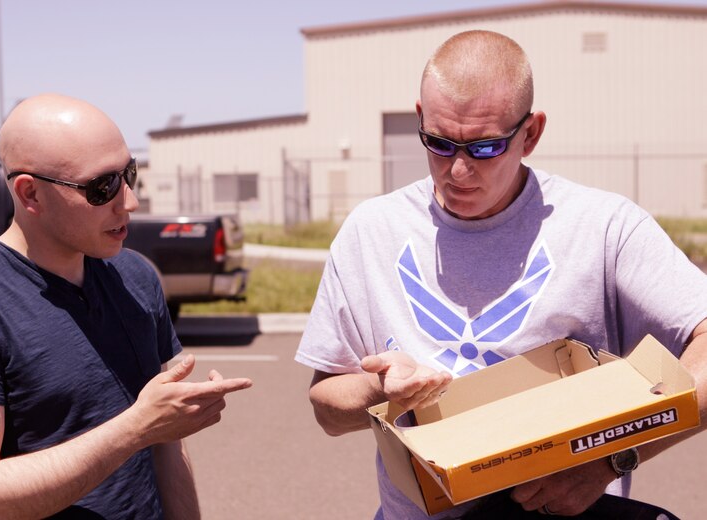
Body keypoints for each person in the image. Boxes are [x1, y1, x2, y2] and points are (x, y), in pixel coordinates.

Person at [296, 30, 707, 519]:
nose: (459, 172)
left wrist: (612, 457)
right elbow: (326, 405)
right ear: (420, 119)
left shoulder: (603, 227)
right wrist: (378, 390)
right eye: (439, 144)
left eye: (485, 148)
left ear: (530, 134)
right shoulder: (371, 232)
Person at [0, 93, 252, 519]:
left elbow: (167, 443)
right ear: (31, 194)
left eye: (128, 173)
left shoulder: (136, 276)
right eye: (103, 187)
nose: (130, 201)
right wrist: (136, 428)